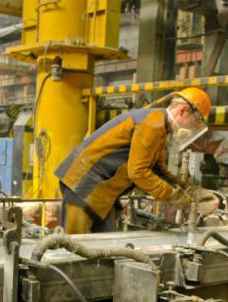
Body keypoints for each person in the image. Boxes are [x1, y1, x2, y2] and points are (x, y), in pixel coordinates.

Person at [55, 87, 213, 234]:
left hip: (102, 191)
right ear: (183, 111)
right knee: (74, 246)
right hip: (83, 184)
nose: (193, 126)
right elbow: (138, 172)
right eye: (195, 121)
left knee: (105, 246)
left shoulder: (159, 127)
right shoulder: (151, 125)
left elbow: (157, 170)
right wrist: (174, 197)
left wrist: (190, 190)